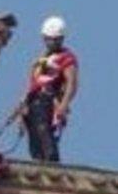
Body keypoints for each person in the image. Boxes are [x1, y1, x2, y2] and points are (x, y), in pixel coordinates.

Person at [20, 16, 78, 162]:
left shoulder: (66, 57)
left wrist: (63, 106)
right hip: (33, 101)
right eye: (48, 39)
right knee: (34, 139)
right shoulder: (41, 60)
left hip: (47, 100)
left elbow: (72, 82)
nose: (51, 42)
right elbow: (32, 86)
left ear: (61, 39)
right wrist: (22, 109)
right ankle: (39, 163)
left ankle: (52, 164)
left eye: (55, 39)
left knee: (44, 131)